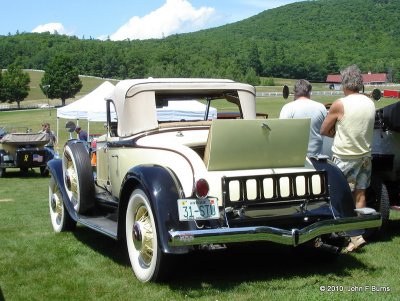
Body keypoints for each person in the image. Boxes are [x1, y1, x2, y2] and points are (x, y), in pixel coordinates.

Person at [320, 64, 376, 252]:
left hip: (345, 156)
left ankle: (347, 235)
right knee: (360, 195)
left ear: (345, 84)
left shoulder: (340, 104)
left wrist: (335, 131)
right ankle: (358, 234)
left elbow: (324, 129)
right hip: (365, 156)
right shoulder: (370, 102)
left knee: (337, 197)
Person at [279, 79, 327, 157]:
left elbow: (281, 133)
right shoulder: (321, 107)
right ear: (309, 92)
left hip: (293, 157)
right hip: (316, 157)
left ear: (295, 91)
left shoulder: (287, 107)